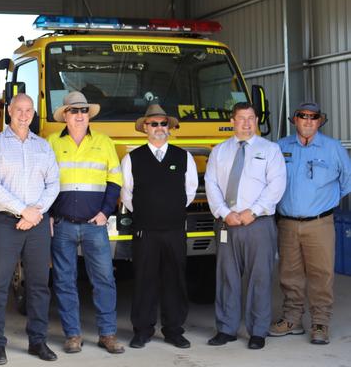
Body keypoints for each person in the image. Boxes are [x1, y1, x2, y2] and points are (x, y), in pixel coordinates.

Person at [0, 93, 60, 365]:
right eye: (19, 109)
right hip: (5, 222)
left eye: (29, 110)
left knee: (39, 285)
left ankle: (37, 341)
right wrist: (22, 210)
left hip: (36, 223)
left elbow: (54, 184)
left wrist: (35, 212)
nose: (24, 115)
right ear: (10, 111)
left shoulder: (43, 146)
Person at [47, 91, 124, 355]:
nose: (79, 115)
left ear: (88, 115)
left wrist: (105, 212)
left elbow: (115, 180)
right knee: (64, 280)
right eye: (74, 111)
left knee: (103, 279)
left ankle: (108, 334)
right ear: (65, 116)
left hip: (95, 224)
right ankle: (72, 335)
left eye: (83, 111)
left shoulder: (104, 142)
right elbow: (43, 182)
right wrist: (48, 215)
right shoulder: (51, 143)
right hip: (63, 224)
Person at [205, 102, 286, 350]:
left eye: (251, 118)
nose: (247, 123)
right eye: (242, 118)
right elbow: (211, 185)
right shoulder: (219, 151)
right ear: (232, 121)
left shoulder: (270, 150)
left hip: (258, 224)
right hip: (227, 224)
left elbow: (276, 185)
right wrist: (224, 213)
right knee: (227, 278)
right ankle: (227, 328)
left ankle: (258, 331)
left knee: (259, 278)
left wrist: (254, 211)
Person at [269, 102, 351, 345]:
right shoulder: (280, 147)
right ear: (295, 119)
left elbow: (347, 181)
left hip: (319, 224)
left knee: (321, 274)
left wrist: (327, 201)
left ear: (319, 121)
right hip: (287, 224)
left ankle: (320, 322)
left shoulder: (333, 148)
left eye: (313, 117)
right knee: (289, 274)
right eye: (302, 116)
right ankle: (292, 319)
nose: (307, 121)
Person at [120, 103, 198, 349]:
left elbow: (190, 191)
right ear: (145, 128)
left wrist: (169, 209)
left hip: (175, 229)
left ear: (169, 127)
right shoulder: (132, 158)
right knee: (145, 281)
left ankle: (174, 330)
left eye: (163, 123)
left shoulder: (183, 156)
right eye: (153, 124)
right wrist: (148, 212)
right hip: (146, 230)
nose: (159, 128)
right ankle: (142, 330)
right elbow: (126, 194)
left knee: (175, 280)